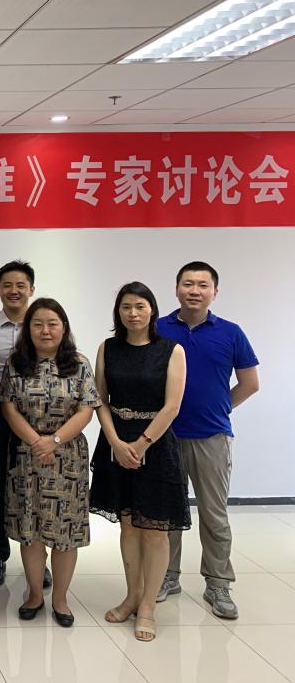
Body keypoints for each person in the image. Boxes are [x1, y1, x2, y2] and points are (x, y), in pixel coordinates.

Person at [157, 261, 259, 619]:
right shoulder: (158, 329)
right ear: (176, 289)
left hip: (212, 437)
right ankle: (166, 576)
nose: (195, 290)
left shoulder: (231, 333)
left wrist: (219, 408)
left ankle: (218, 583)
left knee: (214, 515)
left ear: (215, 292)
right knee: (167, 513)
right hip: (164, 437)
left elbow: (250, 383)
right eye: (188, 284)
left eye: (203, 285)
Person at [89, 282, 189, 642]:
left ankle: (148, 605)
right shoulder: (108, 348)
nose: (133, 313)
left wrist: (142, 443)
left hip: (156, 445)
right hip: (115, 443)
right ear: (118, 312)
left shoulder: (171, 350)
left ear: (152, 310)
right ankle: (132, 596)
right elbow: (99, 399)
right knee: (128, 526)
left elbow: (172, 406)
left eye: (140, 306)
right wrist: (116, 442)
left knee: (156, 529)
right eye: (126, 307)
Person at [0, 298, 100, 627]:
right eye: (38, 324)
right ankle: (34, 594)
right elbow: (8, 408)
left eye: (52, 324)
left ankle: (60, 598)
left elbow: (86, 409)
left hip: (66, 458)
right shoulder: (16, 363)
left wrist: (53, 441)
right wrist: (36, 441)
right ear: (28, 329)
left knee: (65, 531)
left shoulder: (79, 364)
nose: (45, 330)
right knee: (30, 531)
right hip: (26, 456)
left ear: (64, 328)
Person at [0, 260, 49, 589]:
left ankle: (39, 561)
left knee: (38, 489)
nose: (14, 291)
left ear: (31, 289)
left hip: (39, 422)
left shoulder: (45, 325)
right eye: (7, 285)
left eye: (20, 285)